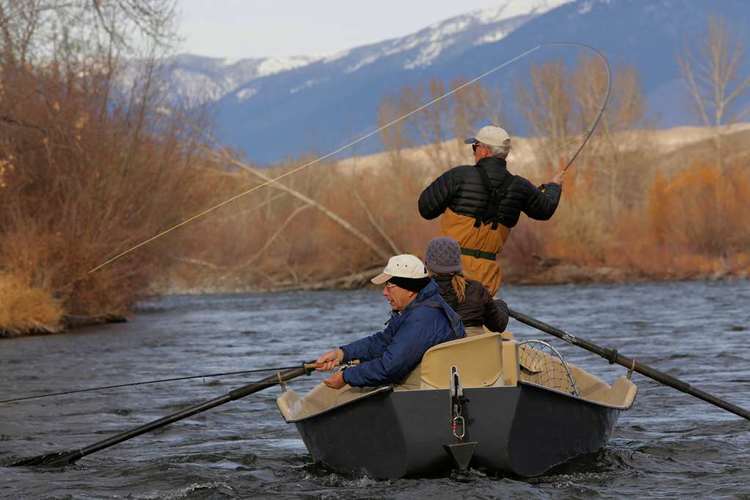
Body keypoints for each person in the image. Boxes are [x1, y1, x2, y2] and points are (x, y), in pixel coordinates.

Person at [418, 125, 564, 295]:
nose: (473, 152)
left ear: (485, 151)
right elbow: (545, 210)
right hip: (486, 276)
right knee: (477, 319)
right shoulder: (520, 187)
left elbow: (425, 209)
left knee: (440, 318)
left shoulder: (459, 176)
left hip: (447, 269)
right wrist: (554, 186)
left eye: (475, 147)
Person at [316, 254, 464, 389]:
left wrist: (346, 376)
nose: (384, 293)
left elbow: (390, 368)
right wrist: (342, 353)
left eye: (389, 286)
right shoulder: (417, 309)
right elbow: (383, 341)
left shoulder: (422, 317)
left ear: (410, 289)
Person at [425, 236, 508, 336]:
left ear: (427, 264)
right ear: (459, 262)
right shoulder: (476, 289)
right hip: (473, 350)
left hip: (436, 349)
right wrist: (501, 304)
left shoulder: (420, 291)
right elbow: (498, 326)